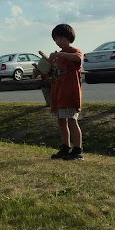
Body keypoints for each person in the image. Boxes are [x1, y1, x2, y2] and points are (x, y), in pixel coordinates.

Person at [34, 23, 84, 160]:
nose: (58, 42)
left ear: (69, 37)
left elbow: (78, 59)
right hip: (59, 95)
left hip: (70, 94)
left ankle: (78, 150)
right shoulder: (55, 57)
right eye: (55, 39)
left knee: (72, 121)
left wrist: (61, 54)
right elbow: (49, 73)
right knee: (61, 121)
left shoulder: (74, 52)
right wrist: (38, 71)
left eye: (61, 38)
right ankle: (65, 147)